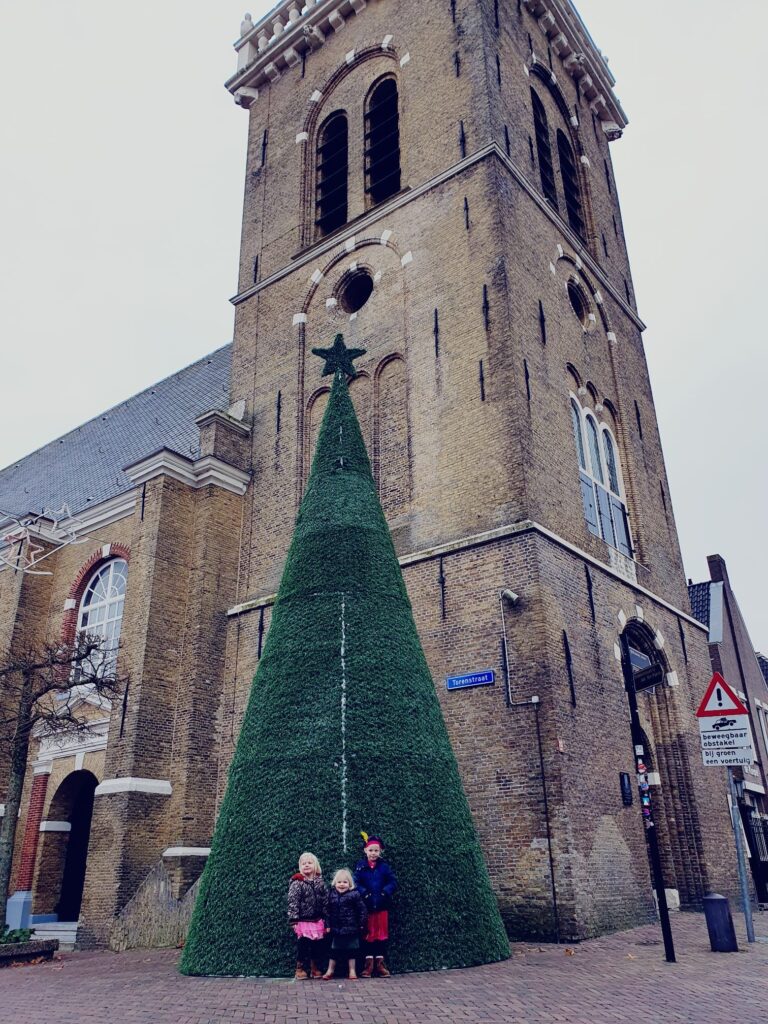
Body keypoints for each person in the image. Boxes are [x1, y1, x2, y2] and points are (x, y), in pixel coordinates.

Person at [353, 833, 398, 977]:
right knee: (368, 936)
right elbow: (356, 882)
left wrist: (385, 892)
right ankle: (368, 966)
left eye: (376, 850)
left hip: (381, 906)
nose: (373, 853)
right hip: (366, 907)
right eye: (371, 850)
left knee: (381, 936)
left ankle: (380, 964)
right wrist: (364, 893)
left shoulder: (384, 867)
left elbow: (392, 882)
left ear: (380, 852)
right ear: (365, 851)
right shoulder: (360, 867)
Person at [287, 851, 327, 980]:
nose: (306, 865)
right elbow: (293, 902)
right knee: (303, 945)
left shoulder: (320, 882)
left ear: (315, 865)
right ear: (300, 866)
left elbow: (325, 900)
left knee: (317, 946)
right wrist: (294, 920)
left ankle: (314, 968)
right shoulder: (297, 882)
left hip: (317, 920)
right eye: (304, 863)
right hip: (303, 921)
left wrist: (326, 917)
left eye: (309, 863)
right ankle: (300, 968)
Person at [322, 868, 367, 981]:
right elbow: (326, 911)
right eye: (339, 882)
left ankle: (352, 971)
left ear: (350, 884)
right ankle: (330, 970)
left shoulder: (354, 895)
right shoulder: (331, 895)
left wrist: (361, 924)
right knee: (334, 950)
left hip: (351, 928)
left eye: (345, 882)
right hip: (336, 929)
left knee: (352, 951)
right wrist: (327, 925)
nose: (342, 885)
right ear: (335, 883)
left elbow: (362, 910)